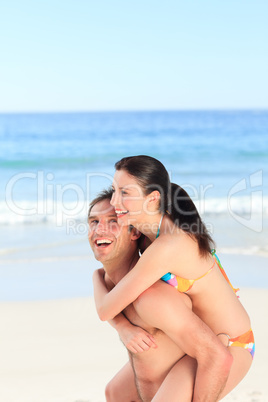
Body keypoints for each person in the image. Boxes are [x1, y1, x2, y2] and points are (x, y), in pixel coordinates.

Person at [93, 155, 255, 401]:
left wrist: (96, 279)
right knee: (115, 392)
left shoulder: (168, 245)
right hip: (194, 340)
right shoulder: (148, 232)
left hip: (229, 345)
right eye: (115, 190)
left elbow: (106, 308)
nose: (115, 201)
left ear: (153, 198)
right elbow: (112, 279)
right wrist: (123, 327)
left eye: (125, 192)